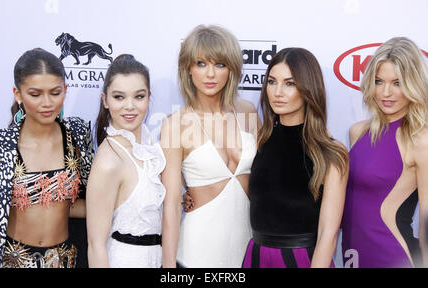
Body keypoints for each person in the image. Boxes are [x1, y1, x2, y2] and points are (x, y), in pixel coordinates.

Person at [0, 48, 94, 268]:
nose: (47, 102)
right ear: (18, 93)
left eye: (55, 92)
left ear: (66, 90)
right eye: (35, 94)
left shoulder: (77, 135)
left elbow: (89, 201)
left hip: (64, 260)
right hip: (11, 261)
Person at [241, 48, 349, 268]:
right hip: (256, 256)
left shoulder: (331, 152)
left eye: (289, 83)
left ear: (308, 88)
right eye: (272, 82)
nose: (277, 92)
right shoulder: (260, 139)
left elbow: (328, 234)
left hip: (304, 261)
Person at [161, 25, 258, 268]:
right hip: (197, 250)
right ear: (188, 69)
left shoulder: (247, 112)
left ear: (232, 69)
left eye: (220, 64)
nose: (211, 74)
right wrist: (169, 266)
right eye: (201, 63)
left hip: (248, 246)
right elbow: (172, 205)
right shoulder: (176, 125)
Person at [341, 37, 428, 268]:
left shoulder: (421, 140)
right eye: (379, 81)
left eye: (397, 83)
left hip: (394, 257)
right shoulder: (357, 132)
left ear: (413, 84)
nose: (386, 92)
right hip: (352, 255)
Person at [86, 55, 165, 268]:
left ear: (149, 98)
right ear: (105, 100)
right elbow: (95, 245)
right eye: (119, 97)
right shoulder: (108, 160)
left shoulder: (151, 146)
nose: (129, 106)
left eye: (138, 97)